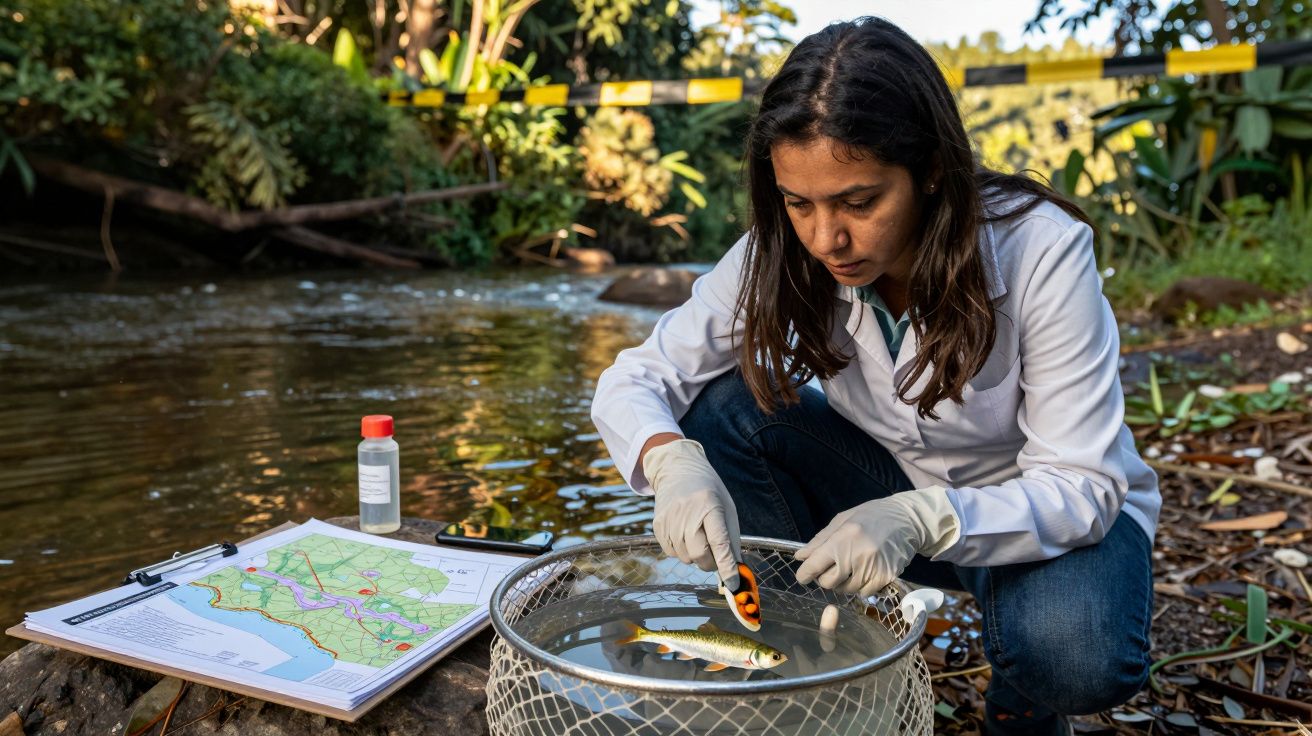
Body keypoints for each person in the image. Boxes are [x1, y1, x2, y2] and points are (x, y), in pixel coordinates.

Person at [589, 16, 1159, 736]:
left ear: (928, 172)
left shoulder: (1042, 250)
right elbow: (638, 376)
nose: (827, 238)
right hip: (882, 495)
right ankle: (807, 649)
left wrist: (921, 517)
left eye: (859, 202)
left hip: (1045, 520)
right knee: (719, 413)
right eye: (800, 203)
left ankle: (1022, 698)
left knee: (1074, 655)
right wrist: (666, 461)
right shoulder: (779, 250)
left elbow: (1083, 484)